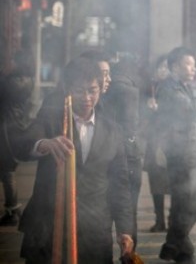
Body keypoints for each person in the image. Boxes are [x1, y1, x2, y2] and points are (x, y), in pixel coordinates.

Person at [14, 57, 134, 263]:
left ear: (100, 90)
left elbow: (120, 184)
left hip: (94, 232)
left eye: (92, 90)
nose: (86, 97)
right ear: (68, 89)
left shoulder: (113, 130)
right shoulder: (52, 119)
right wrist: (45, 144)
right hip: (49, 227)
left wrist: (125, 229)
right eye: (79, 90)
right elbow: (23, 143)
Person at [158, 46, 196, 264]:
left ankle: (176, 248)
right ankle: (174, 245)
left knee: (191, 206)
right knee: (186, 206)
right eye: (189, 64)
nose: (193, 69)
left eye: (194, 65)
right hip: (181, 155)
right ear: (175, 66)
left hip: (194, 153)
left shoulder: (186, 87)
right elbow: (194, 109)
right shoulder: (169, 90)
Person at [102, 54, 142, 248]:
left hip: (107, 153)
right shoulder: (129, 91)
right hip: (127, 154)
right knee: (128, 210)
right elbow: (131, 126)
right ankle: (129, 253)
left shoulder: (105, 90)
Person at [0, 60, 34, 226]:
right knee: (8, 169)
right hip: (14, 126)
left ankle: (13, 210)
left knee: (7, 170)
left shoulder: (11, 82)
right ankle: (12, 209)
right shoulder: (26, 81)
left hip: (6, 129)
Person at [142, 54, 171, 233]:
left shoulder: (173, 88)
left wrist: (160, 110)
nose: (162, 71)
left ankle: (172, 220)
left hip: (170, 143)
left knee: (174, 184)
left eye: (166, 68)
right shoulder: (149, 88)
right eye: (160, 67)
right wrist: (147, 107)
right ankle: (159, 220)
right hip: (154, 142)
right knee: (156, 184)